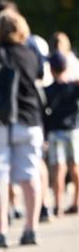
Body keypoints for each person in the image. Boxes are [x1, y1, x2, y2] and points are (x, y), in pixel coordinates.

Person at [0, 8, 44, 247]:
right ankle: (30, 229)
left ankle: (0, 231)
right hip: (29, 118)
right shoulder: (31, 54)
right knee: (30, 175)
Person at [44, 51, 79, 216]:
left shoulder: (48, 90)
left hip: (55, 131)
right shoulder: (73, 87)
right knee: (75, 168)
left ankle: (57, 205)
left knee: (58, 169)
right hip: (73, 130)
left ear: (51, 69)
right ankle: (76, 202)